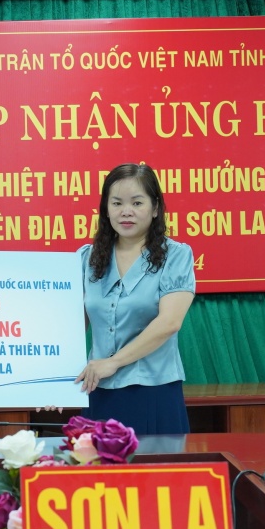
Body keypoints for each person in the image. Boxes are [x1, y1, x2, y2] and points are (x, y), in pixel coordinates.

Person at [75, 162, 196, 435]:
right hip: (97, 390)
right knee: (95, 463)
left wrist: (113, 362)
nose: (126, 211)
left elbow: (169, 323)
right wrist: (50, 381)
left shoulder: (176, 255)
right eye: (117, 203)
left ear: (155, 208)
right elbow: (73, 327)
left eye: (137, 203)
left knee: (155, 464)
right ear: (106, 209)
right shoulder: (86, 258)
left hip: (153, 392)